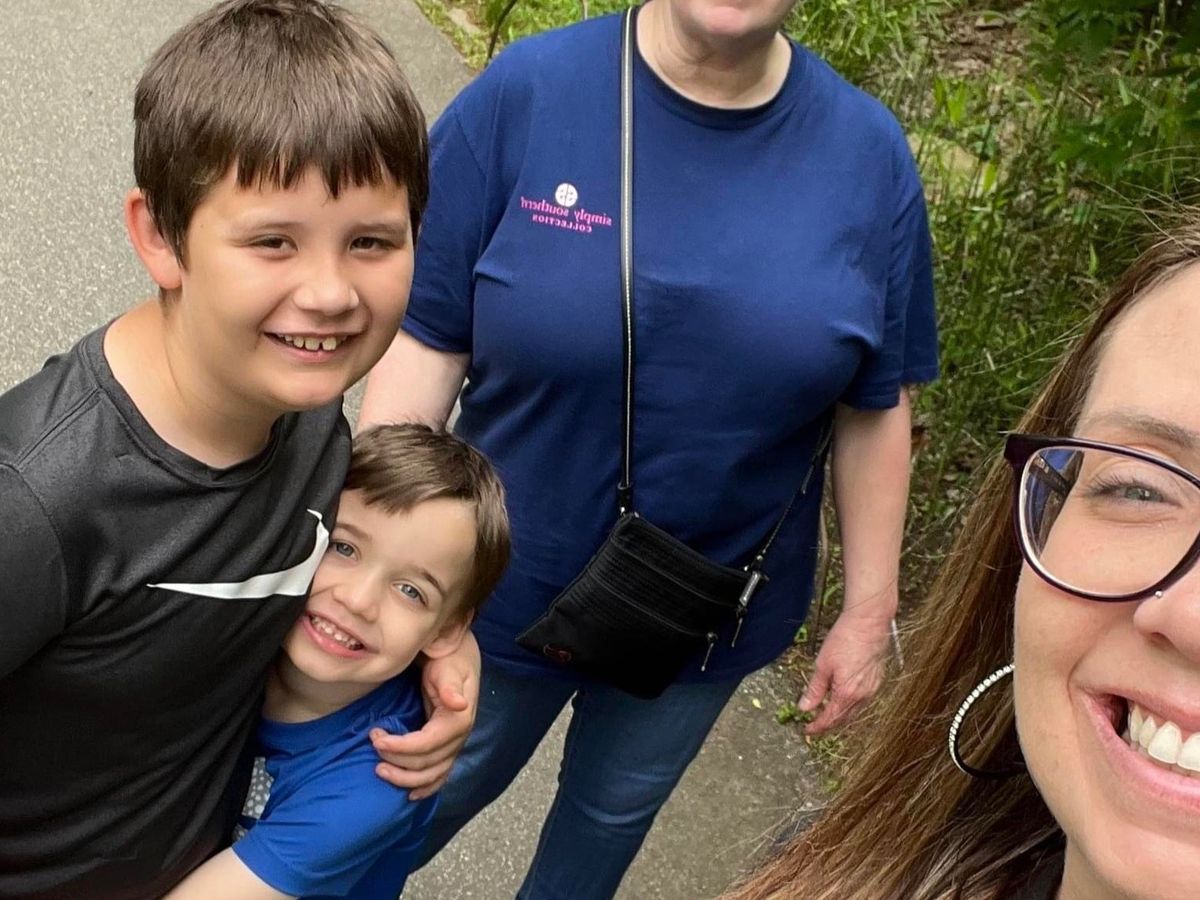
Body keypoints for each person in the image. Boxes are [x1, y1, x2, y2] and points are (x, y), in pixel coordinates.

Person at [359, 0, 939, 894]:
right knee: (398, 810)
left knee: (606, 823)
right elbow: (427, 342)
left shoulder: (868, 156)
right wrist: (389, 579)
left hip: (704, 614)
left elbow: (876, 404)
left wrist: (868, 612)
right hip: (491, 591)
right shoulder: (530, 92)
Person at [0, 3, 479, 896]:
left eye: (371, 241)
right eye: (273, 241)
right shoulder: (35, 503)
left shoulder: (308, 416)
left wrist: (448, 645)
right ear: (161, 235)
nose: (330, 293)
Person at [725, 217, 1200, 900]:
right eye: (1139, 486)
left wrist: (866, 611)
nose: (1190, 619)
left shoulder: (870, 173)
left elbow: (879, 400)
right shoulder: (836, 873)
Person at [165, 424, 510, 900]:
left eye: (411, 591)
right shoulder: (251, 623)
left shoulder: (371, 784)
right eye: (343, 548)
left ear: (446, 630)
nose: (358, 600)